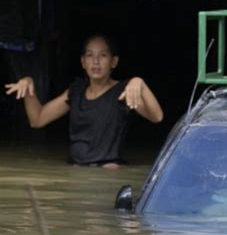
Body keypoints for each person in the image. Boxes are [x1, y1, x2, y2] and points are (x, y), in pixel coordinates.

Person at [5, 34, 163, 168]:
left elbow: (157, 117)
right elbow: (37, 119)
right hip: (76, 170)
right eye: (89, 55)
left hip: (107, 173)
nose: (96, 61)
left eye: (103, 55)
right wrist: (28, 87)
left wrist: (140, 83)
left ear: (114, 62)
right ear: (82, 62)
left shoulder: (125, 91)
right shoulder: (76, 91)